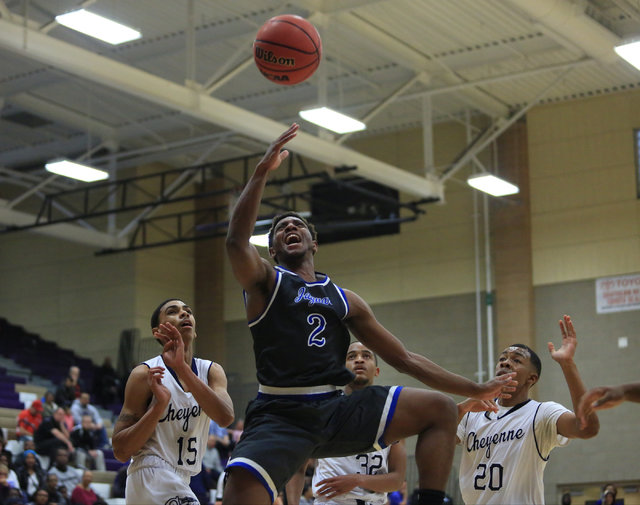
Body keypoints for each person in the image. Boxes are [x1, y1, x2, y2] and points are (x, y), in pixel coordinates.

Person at [223, 123, 517, 505]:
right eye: (280, 228)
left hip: (336, 407)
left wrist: (474, 389)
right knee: (237, 496)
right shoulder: (265, 281)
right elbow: (235, 241)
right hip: (280, 412)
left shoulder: (345, 300)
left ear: (315, 242)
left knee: (440, 408)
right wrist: (261, 172)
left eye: (298, 225)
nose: (289, 227)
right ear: (274, 250)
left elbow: (404, 359)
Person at [455, 315, 600, 505]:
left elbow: (587, 428)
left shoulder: (542, 414)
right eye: (502, 359)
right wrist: (461, 409)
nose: (505, 362)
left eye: (516, 360)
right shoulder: (473, 412)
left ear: (531, 379)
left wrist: (567, 365)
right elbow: (442, 442)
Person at [111, 298, 234, 505]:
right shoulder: (145, 374)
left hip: (182, 478)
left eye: (188, 311)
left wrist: (182, 369)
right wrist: (159, 406)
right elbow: (121, 450)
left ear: (194, 331)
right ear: (157, 331)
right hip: (150, 472)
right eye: (173, 311)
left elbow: (225, 417)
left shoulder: (211, 371)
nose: (184, 314)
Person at [310, 342, 406, 505]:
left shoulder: (393, 414)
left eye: (366, 356)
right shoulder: (324, 408)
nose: (359, 360)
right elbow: (298, 468)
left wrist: (357, 480)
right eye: (351, 356)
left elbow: (397, 480)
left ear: (376, 371)